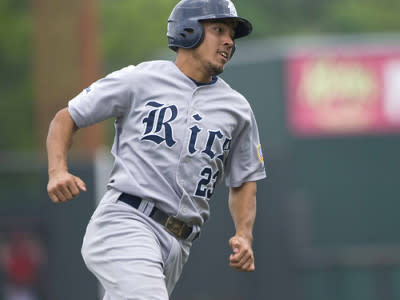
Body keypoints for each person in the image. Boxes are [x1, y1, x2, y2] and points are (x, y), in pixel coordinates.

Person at [46, 0, 266, 299]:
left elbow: (243, 180)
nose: (229, 40)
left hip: (179, 244)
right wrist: (58, 170)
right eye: (219, 29)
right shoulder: (141, 79)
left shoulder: (237, 109)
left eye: (232, 34)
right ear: (188, 30)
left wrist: (244, 234)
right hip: (127, 221)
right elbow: (66, 118)